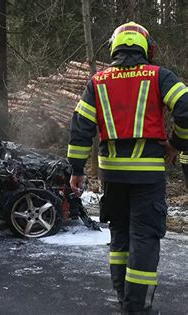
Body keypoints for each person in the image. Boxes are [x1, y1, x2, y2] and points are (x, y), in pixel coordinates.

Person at [67, 22, 188, 314]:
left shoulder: (98, 82)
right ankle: (137, 309)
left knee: (120, 238)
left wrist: (77, 170)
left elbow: (81, 128)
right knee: (144, 239)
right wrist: (176, 145)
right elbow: (186, 107)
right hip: (148, 176)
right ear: (146, 47)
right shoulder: (159, 76)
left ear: (115, 48)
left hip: (112, 176)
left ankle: (124, 301)